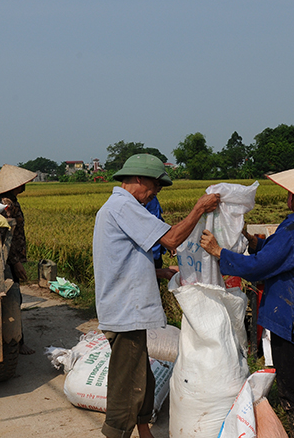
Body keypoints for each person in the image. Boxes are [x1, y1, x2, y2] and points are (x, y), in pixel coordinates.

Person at [200, 163, 294, 438]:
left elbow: (260, 267)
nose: (287, 196)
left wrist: (219, 252)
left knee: (293, 391)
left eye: (290, 193)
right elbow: (281, 253)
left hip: (291, 319)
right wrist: (254, 242)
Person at [93, 153, 220, 438]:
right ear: (138, 179)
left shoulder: (117, 207)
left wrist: (159, 273)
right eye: (154, 186)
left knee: (141, 376)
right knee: (127, 385)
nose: (155, 194)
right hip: (126, 311)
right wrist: (199, 207)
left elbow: (122, 261)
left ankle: (143, 430)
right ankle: (116, 433)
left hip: (124, 308)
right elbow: (172, 240)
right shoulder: (124, 207)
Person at [0, 164, 38, 356]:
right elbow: (5, 236)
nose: (25, 185)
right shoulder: (6, 204)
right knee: (14, 299)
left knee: (16, 299)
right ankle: (17, 342)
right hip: (9, 259)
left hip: (11, 257)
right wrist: (16, 262)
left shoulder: (11, 200)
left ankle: (16, 340)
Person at [144, 195, 166, 269]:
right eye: (156, 184)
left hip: (156, 251)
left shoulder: (153, 198)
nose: (159, 187)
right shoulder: (140, 201)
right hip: (146, 255)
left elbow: (159, 220)